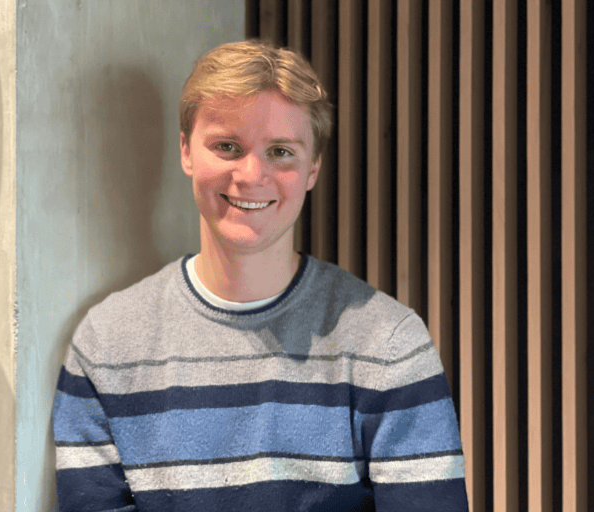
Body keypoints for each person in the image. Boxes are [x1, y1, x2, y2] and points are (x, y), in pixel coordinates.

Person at [51, 39, 469, 511]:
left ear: (313, 167)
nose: (251, 175)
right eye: (227, 146)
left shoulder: (389, 343)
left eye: (281, 152)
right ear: (187, 151)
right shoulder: (106, 346)